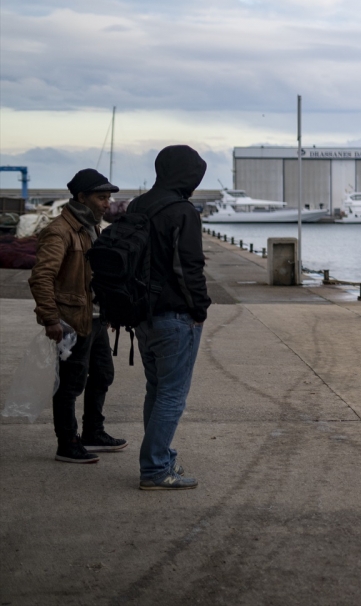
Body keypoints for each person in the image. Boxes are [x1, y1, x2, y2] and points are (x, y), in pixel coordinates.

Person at [28, 169, 126, 464]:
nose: (106, 203)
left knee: (103, 375)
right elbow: (41, 277)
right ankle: (67, 443)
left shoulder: (90, 227)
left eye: (108, 197)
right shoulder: (60, 231)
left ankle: (93, 432)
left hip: (95, 318)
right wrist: (50, 319)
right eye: (101, 197)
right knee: (71, 385)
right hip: (72, 321)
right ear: (81, 197)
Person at [128, 145, 210, 491]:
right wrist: (199, 309)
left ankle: (159, 458)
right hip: (175, 316)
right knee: (172, 395)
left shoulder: (138, 206)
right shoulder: (182, 212)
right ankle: (156, 469)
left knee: (157, 390)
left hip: (141, 314)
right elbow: (187, 267)